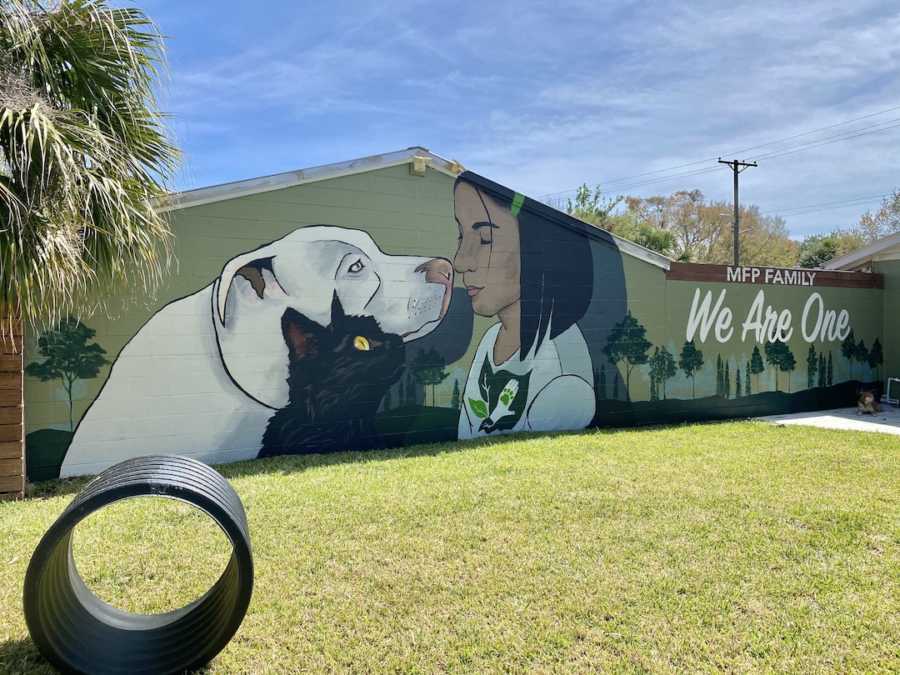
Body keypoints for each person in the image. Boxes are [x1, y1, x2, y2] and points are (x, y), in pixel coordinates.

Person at [453, 172, 595, 439]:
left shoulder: (562, 356)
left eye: (484, 239)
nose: (460, 261)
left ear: (535, 247)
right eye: (460, 236)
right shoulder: (490, 340)